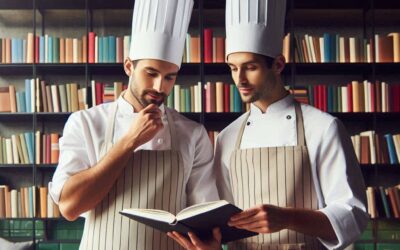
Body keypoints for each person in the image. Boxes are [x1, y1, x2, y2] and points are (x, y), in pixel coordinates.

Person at [168, 0, 369, 249]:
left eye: (250, 67)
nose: (239, 79)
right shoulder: (227, 137)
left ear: (278, 64)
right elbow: (223, 220)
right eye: (233, 68)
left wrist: (287, 217)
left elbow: (352, 215)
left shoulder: (323, 127)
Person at [49, 0, 219, 249]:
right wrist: (129, 142)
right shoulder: (85, 123)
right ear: (129, 66)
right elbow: (70, 207)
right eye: (151, 73)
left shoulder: (193, 134)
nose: (160, 86)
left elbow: (203, 217)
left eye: (169, 77)